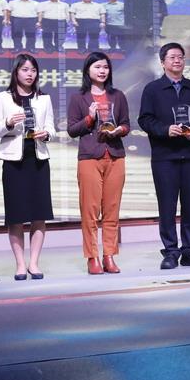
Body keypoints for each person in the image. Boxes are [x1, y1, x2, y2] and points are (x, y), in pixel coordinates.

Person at [139, 43, 190, 269]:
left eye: (180, 57)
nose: (177, 60)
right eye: (172, 57)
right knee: (167, 205)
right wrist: (166, 130)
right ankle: (171, 251)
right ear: (162, 62)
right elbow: (145, 119)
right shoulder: (153, 89)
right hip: (165, 156)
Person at [0, 54, 55, 280]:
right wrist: (8, 123)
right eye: (25, 70)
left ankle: (34, 263)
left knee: (39, 214)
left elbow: (52, 128)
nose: (30, 74)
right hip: (14, 162)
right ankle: (20, 264)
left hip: (38, 160)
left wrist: (47, 134)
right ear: (16, 72)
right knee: (16, 216)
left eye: (33, 70)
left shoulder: (44, 99)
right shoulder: (2, 98)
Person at [67, 52, 131, 274]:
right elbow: (72, 130)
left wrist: (119, 130)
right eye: (97, 67)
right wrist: (89, 118)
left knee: (112, 209)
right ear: (87, 70)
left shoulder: (118, 96)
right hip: (89, 158)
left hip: (115, 156)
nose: (102, 71)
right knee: (90, 211)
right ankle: (92, 257)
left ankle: (109, 255)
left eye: (105, 67)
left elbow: (126, 124)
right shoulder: (79, 98)